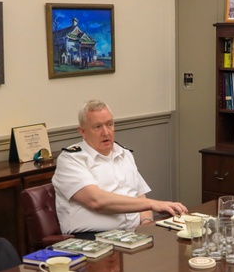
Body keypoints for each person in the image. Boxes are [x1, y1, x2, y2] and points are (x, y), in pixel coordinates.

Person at [53, 100, 188, 235]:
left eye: (109, 124)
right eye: (97, 127)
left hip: (133, 233)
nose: (106, 132)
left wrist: (146, 223)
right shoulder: (71, 159)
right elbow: (97, 201)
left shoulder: (124, 153)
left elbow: (140, 197)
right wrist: (153, 204)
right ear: (82, 131)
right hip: (92, 238)